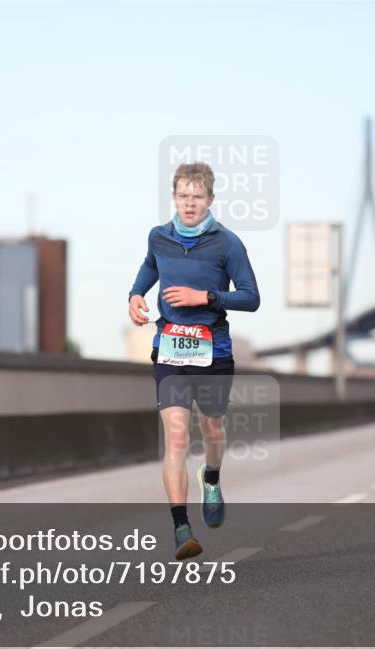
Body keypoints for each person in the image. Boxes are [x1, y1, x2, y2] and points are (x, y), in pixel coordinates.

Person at [127, 162, 260, 560]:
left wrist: (206, 298)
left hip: (214, 350)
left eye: (197, 197)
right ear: (174, 197)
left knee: (213, 430)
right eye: (183, 196)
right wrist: (135, 295)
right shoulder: (159, 237)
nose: (189, 204)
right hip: (169, 349)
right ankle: (181, 528)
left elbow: (251, 297)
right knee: (178, 437)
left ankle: (213, 478)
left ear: (210, 200)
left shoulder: (228, 243)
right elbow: (151, 266)